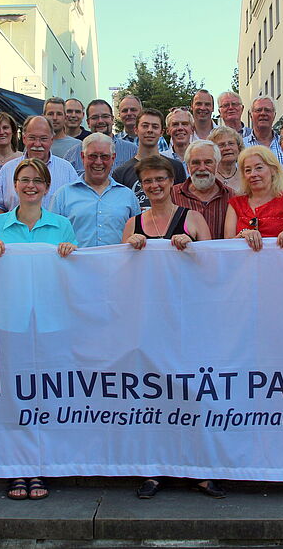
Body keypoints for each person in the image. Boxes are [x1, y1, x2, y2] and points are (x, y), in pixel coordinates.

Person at [0, 157, 78, 502]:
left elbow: (72, 277)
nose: (31, 185)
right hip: (9, 322)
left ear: (48, 187)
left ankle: (40, 466)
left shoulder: (62, 226)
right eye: (24, 179)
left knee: (44, 396)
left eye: (38, 180)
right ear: (13, 185)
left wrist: (70, 254)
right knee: (12, 395)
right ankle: (15, 468)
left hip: (50, 323)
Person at [121, 155, 218, 500]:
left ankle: (200, 469)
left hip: (188, 321)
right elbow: (121, 276)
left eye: (160, 179)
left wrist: (192, 249)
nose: (155, 186)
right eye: (148, 181)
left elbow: (213, 270)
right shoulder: (133, 223)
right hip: (149, 323)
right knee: (153, 398)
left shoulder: (193, 218)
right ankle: (154, 469)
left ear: (171, 180)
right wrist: (128, 250)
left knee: (194, 395)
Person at [50, 133, 140, 247]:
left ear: (113, 158)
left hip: (118, 264)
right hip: (75, 264)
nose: (98, 162)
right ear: (82, 157)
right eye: (92, 156)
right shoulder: (62, 196)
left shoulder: (128, 196)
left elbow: (137, 235)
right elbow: (52, 237)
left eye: (104, 157)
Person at [0, 116, 80, 214]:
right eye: (32, 138)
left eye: (43, 139)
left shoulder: (67, 170)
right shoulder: (8, 169)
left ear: (51, 140)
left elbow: (76, 206)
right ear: (24, 139)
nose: (37, 144)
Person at [224, 147, 283, 250]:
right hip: (243, 264)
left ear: (273, 170)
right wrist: (242, 235)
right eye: (248, 170)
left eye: (259, 168)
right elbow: (227, 246)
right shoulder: (235, 203)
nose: (253, 174)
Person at [112, 109, 187, 208]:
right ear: (136, 130)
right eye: (145, 126)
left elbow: (182, 204)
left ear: (161, 132)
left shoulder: (176, 167)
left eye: (155, 126)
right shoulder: (121, 173)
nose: (150, 130)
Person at [170, 140, 233, 240]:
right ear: (187, 167)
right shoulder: (171, 195)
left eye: (208, 162)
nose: (202, 168)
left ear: (217, 166)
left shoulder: (232, 197)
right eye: (195, 163)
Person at [63, 99, 138, 172]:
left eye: (105, 116)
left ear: (112, 120)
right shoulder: (72, 155)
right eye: (95, 117)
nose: (100, 121)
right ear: (88, 123)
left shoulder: (132, 151)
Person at [208, 125, 245, 193]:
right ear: (213, 150)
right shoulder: (208, 178)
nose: (227, 148)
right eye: (221, 145)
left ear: (239, 148)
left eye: (231, 143)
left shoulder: (246, 177)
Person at [247, 96, 283, 161]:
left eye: (267, 110)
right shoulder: (242, 146)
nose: (263, 113)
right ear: (251, 115)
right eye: (258, 110)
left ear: (274, 115)